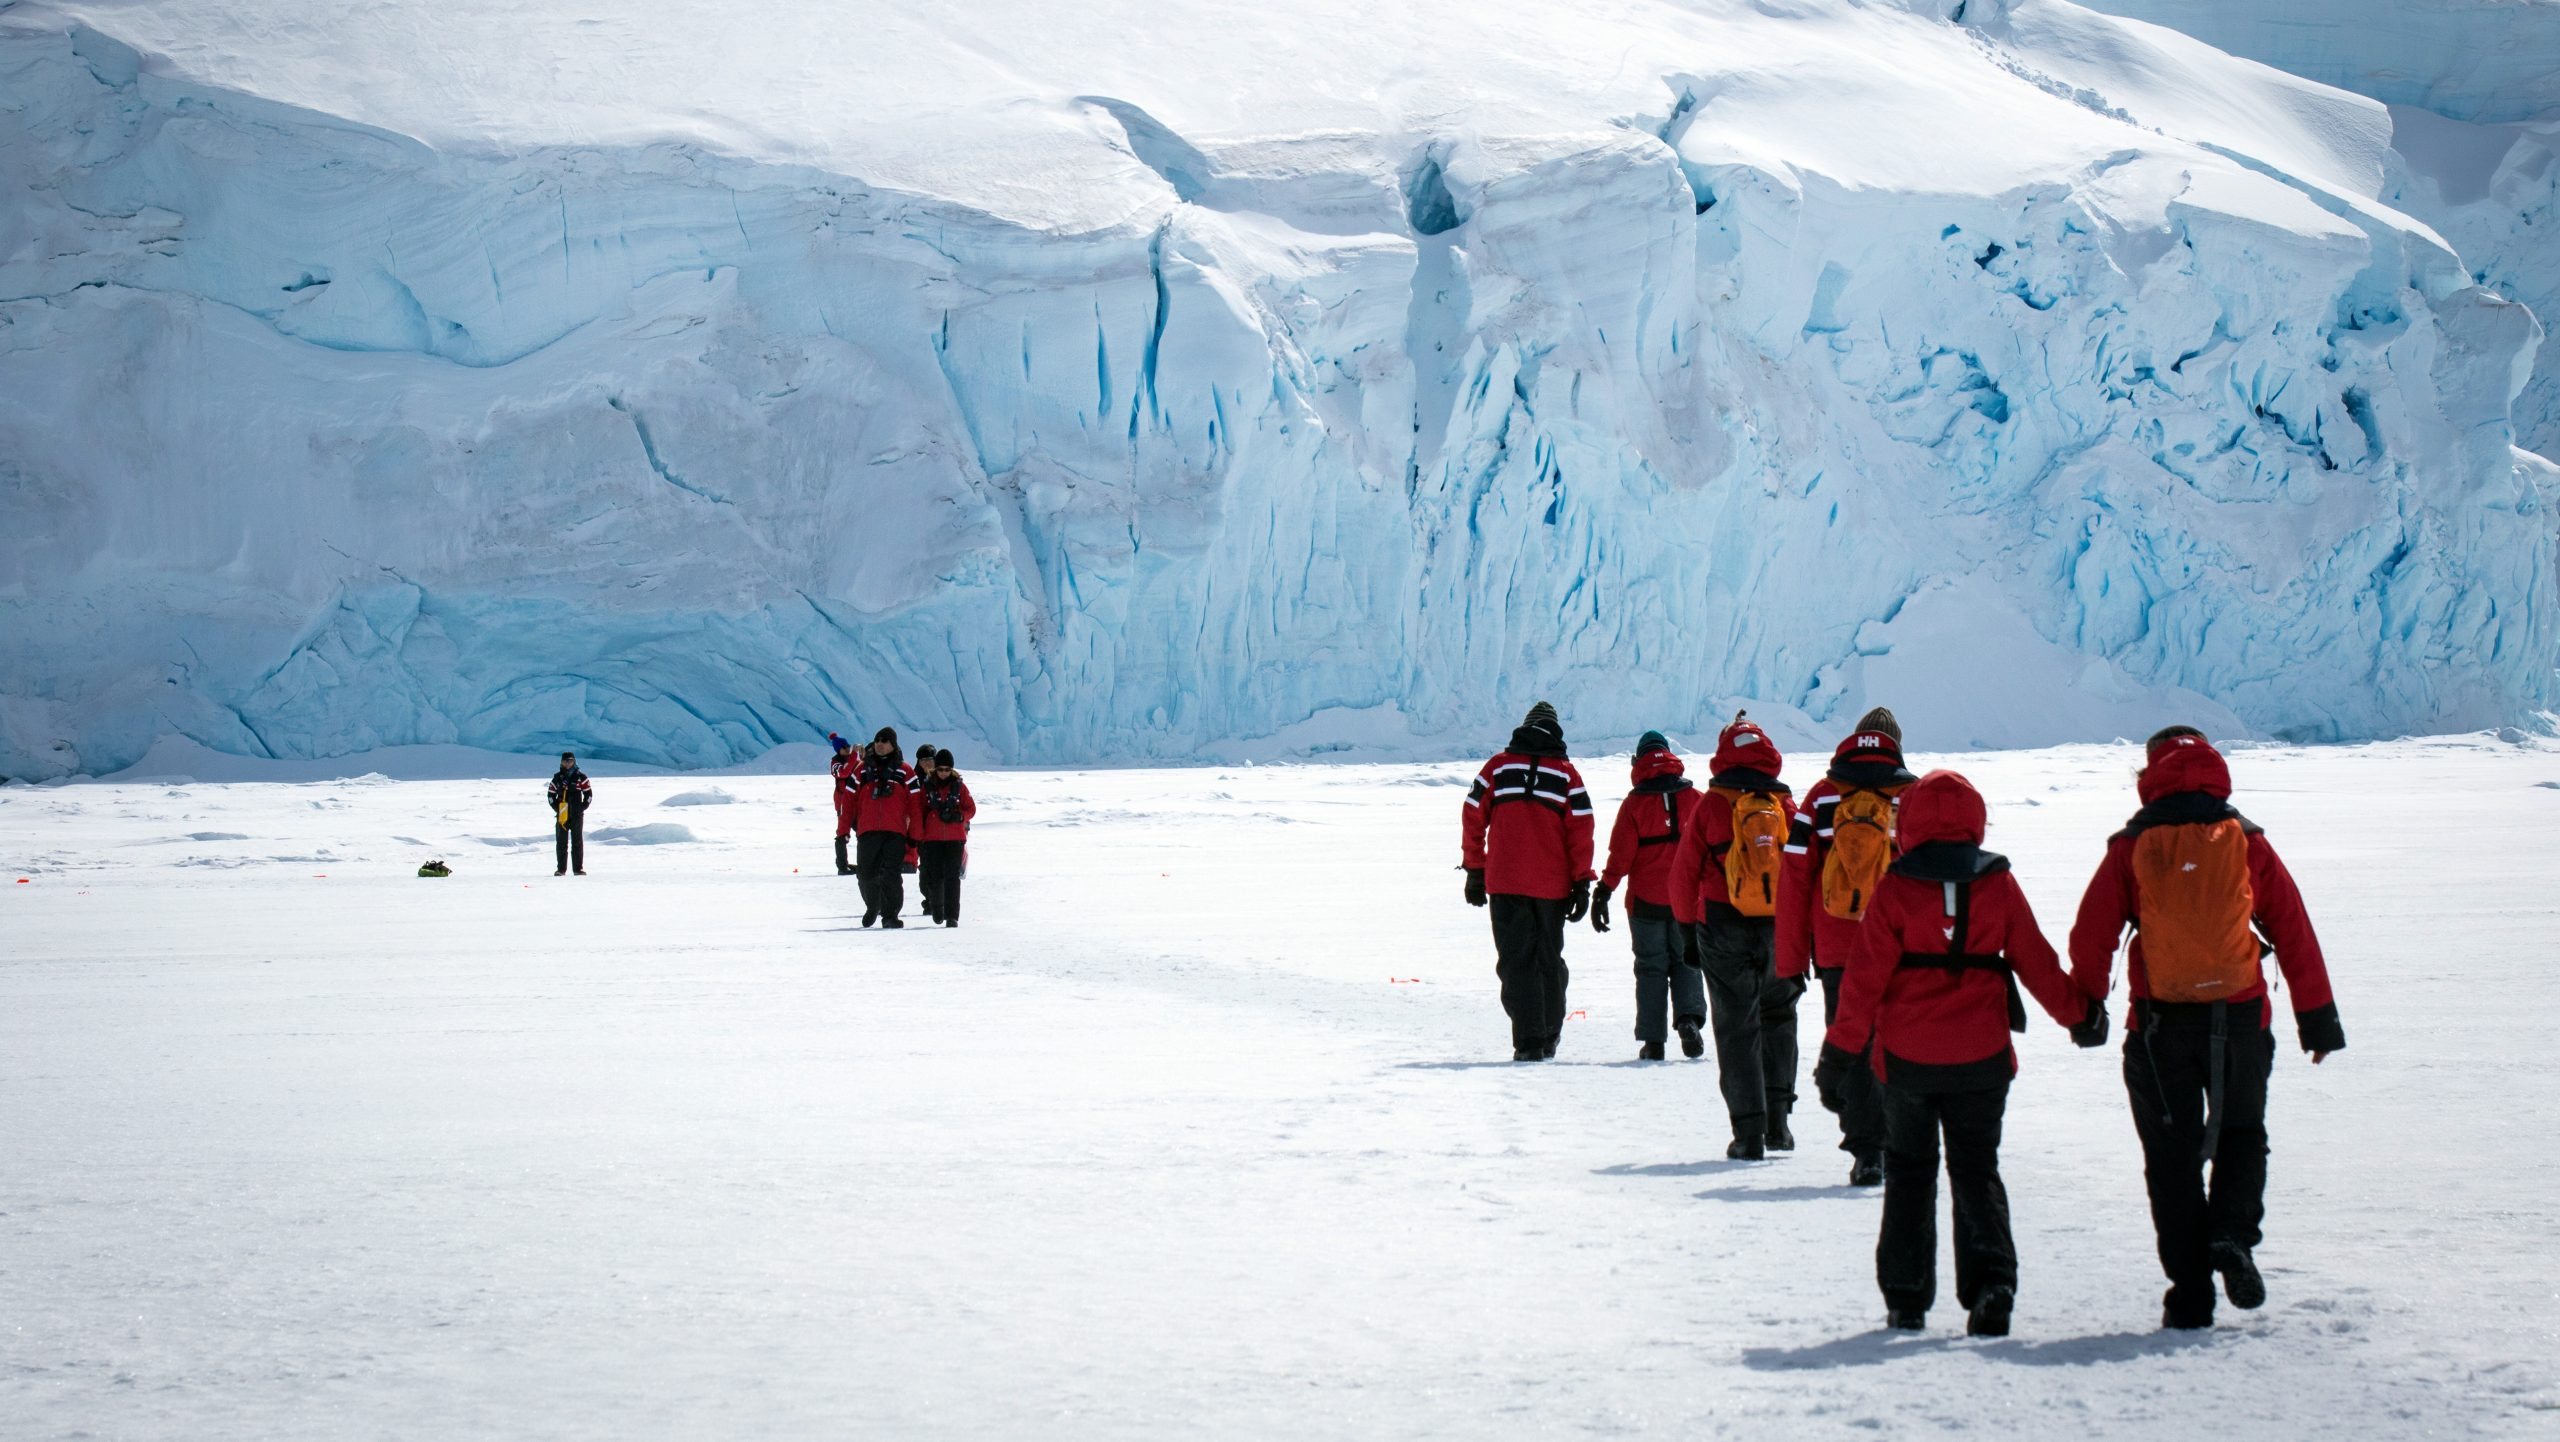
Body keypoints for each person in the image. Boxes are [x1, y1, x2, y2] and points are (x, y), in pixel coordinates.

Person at [2068, 727, 2344, 1331]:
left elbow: (2092, 936)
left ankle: (2191, 1293)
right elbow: (2293, 927)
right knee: (2243, 1134)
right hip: (2243, 1019)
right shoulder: (2246, 840)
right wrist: (2318, 1019)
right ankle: (2233, 1237)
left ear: (2152, 770)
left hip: (2160, 1028)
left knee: (2171, 1159)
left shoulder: (2130, 845)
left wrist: (2085, 1009)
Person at [1815, 769, 2105, 1337]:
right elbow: (2038, 964)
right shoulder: (1998, 883)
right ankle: (1992, 1285)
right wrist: (2081, 1017)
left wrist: (1837, 1060)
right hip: (1983, 1058)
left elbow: (1862, 985)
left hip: (1907, 1062)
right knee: (1977, 1169)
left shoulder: (1896, 887)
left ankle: (1906, 1299)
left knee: (1910, 1172)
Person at [1779, 707, 1918, 1186]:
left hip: (1839, 948)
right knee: (1901, 1042)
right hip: (1904, 946)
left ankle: (1867, 1151)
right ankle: (1901, 1140)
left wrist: (1793, 957)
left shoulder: (1821, 797)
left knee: (1853, 1041)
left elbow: (1794, 879)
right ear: (1895, 744)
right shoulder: (1914, 796)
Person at [1668, 713, 1797, 1157]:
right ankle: (1779, 1126)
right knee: (1778, 1017)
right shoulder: (1783, 803)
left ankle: (1748, 1135)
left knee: (1736, 1025)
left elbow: (1683, 873)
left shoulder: (1712, 803)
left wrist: (1686, 930)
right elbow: (1804, 868)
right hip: (1779, 924)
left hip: (1722, 923)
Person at [1461, 701, 1597, 1061]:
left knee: (1516, 962)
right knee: (1549, 960)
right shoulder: (1568, 775)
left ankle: (1528, 1040)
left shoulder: (1498, 767)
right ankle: (1548, 1034)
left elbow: (1473, 814)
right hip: (1552, 887)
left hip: (1504, 882)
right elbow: (1582, 830)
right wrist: (1582, 882)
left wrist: (1475, 869)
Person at [1593, 731, 1709, 1061]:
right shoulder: (1696, 798)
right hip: (1688, 901)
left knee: (1650, 969)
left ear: (1639, 761)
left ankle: (1654, 1041)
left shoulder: (1633, 804)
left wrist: (1604, 890)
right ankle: (1688, 1019)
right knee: (1688, 962)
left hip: (1645, 903)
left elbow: (1621, 855)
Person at [850, 727, 921, 927]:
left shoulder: (905, 771)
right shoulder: (861, 770)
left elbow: (915, 804)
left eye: (885, 740)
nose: (880, 743)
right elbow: (849, 801)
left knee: (892, 874)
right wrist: (845, 829)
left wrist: (914, 833)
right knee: (865, 873)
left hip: (895, 832)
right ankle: (873, 905)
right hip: (868, 830)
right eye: (877, 740)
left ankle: (891, 916)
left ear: (893, 744)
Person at [916, 748, 976, 927]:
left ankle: (952, 916)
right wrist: (918, 835)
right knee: (935, 876)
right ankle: (937, 908)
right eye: (940, 769)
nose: (943, 773)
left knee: (952, 877)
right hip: (932, 839)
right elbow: (919, 811)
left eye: (947, 769)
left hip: (954, 839)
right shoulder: (927, 787)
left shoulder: (960, 787)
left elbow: (971, 808)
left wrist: (960, 816)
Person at [547, 751, 592, 877]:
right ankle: (561, 870)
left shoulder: (581, 777)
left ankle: (578, 869)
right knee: (561, 842)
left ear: (574, 761)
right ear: (561, 762)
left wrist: (582, 807)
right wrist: (558, 808)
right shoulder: (557, 778)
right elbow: (550, 795)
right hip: (562, 813)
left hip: (577, 814)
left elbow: (588, 794)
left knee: (577, 841)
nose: (567, 763)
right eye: (565, 761)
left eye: (570, 761)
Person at [829, 733, 859, 876]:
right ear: (838, 749)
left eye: (848, 746)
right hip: (843, 803)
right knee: (843, 833)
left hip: (856, 802)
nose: (847, 749)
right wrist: (854, 755)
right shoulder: (835, 763)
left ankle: (865, 862)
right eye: (844, 747)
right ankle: (842, 866)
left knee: (863, 832)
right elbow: (844, 773)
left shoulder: (853, 761)